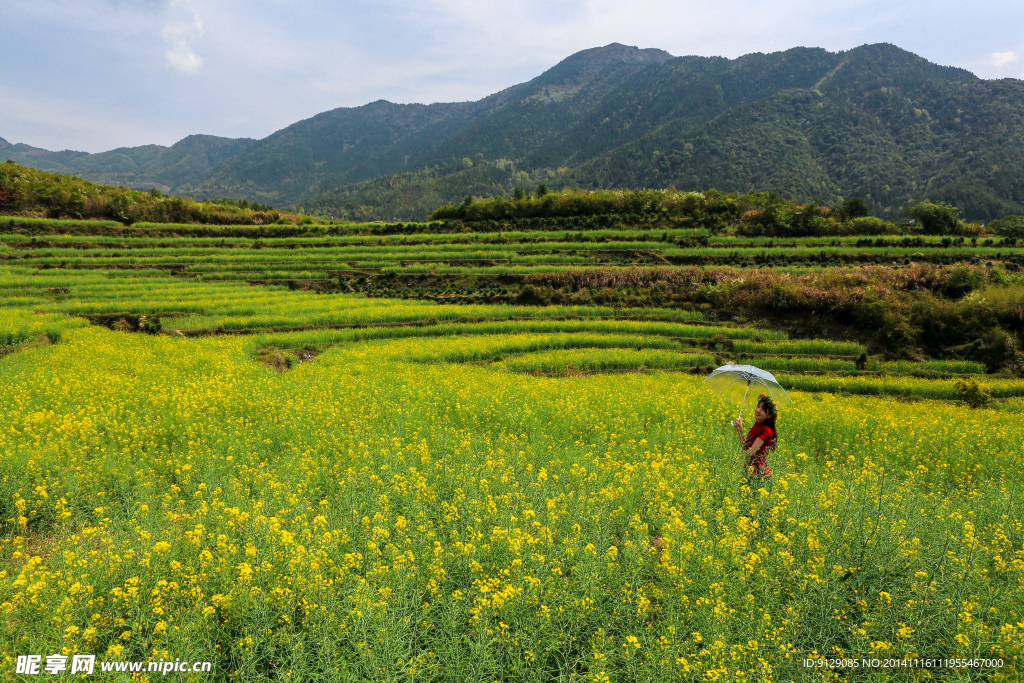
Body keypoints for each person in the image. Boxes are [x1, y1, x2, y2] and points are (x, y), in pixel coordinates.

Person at [731, 394, 778, 485]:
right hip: (749, 471)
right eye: (758, 406)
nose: (758, 410)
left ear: (769, 415)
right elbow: (746, 447)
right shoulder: (757, 425)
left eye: (763, 410)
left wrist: (737, 454)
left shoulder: (765, 430)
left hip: (759, 476)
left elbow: (751, 452)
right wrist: (740, 430)